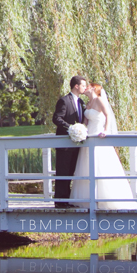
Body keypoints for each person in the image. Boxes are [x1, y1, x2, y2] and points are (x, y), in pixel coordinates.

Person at [70, 83, 136, 209]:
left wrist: (105, 130)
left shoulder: (99, 100)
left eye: (88, 85)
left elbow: (107, 115)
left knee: (101, 166)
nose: (86, 87)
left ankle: (105, 198)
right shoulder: (88, 104)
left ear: (94, 88)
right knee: (86, 167)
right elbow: (85, 122)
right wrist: (80, 131)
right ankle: (87, 199)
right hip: (88, 138)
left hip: (98, 134)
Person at [52, 75, 88, 208]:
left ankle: (67, 201)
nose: (85, 87)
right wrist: (71, 128)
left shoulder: (81, 102)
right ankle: (60, 202)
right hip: (65, 145)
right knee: (63, 172)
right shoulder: (64, 101)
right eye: (83, 85)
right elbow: (57, 118)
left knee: (71, 172)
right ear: (76, 86)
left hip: (76, 144)